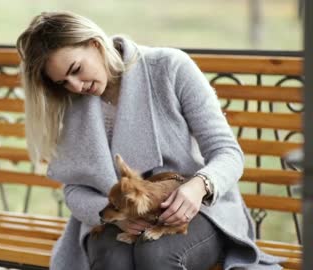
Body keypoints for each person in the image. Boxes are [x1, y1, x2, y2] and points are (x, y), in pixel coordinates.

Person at [16, 11, 282, 270]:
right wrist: (111, 214)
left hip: (198, 211)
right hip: (116, 218)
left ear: (95, 44)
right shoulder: (72, 102)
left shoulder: (169, 67)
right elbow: (74, 188)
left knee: (156, 255)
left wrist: (199, 187)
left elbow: (228, 153)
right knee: (113, 260)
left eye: (76, 69)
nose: (75, 86)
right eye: (63, 82)